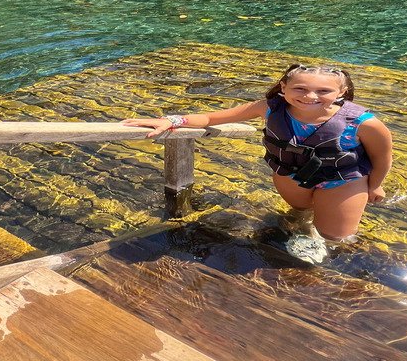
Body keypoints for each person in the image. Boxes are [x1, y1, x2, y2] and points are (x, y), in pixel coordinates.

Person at [123, 63, 393, 261]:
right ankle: (304, 228)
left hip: (342, 181)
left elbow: (382, 157)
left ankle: (324, 254)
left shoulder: (364, 123)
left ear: (341, 91)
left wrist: (375, 185)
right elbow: (212, 118)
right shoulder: (269, 107)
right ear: (284, 88)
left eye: (323, 91)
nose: (310, 96)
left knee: (335, 238)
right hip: (290, 174)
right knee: (299, 213)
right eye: (300, 88)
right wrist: (170, 121)